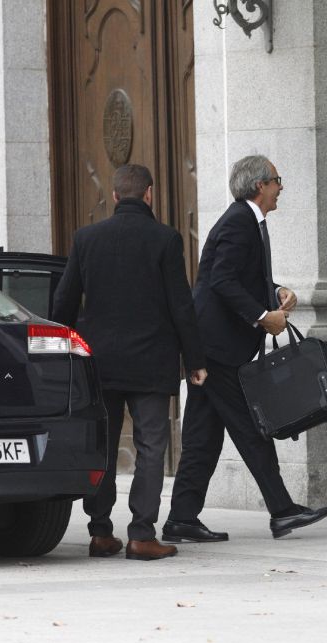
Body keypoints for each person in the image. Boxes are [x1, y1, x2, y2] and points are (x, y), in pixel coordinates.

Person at [163, 155, 327, 542]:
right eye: (277, 180)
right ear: (260, 185)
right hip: (218, 350)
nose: (281, 187)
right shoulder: (240, 221)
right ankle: (282, 511)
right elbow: (221, 280)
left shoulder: (247, 221)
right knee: (251, 429)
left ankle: (181, 519)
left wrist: (275, 291)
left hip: (213, 349)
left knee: (203, 437)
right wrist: (262, 316)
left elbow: (238, 275)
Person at [53, 163, 207, 560]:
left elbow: (64, 302)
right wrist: (195, 361)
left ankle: (101, 533)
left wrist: (59, 353)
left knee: (102, 447)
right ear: (150, 194)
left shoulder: (86, 238)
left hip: (100, 364)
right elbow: (181, 306)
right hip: (151, 363)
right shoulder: (166, 239)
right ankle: (141, 534)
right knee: (152, 446)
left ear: (116, 196)